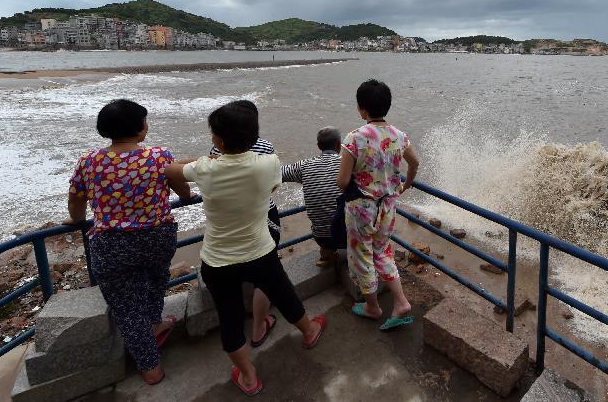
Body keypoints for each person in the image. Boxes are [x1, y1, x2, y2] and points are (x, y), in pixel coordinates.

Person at [165, 101, 325, 396]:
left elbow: (171, 170)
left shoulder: (205, 169)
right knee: (284, 294)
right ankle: (310, 331)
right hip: (259, 250)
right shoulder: (269, 163)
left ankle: (249, 376)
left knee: (230, 317)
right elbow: (272, 189)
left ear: (219, 140)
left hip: (218, 259)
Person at [65, 99, 191, 385]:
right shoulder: (159, 156)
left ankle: (150, 366)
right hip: (157, 237)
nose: (147, 126)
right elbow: (182, 187)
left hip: (112, 244)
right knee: (157, 279)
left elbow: (76, 200)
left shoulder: (89, 161)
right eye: (145, 121)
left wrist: (76, 219)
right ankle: (155, 323)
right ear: (137, 128)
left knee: (126, 306)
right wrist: (185, 198)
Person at [337, 79, 420, 331]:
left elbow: (342, 182)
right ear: (387, 106)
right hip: (388, 206)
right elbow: (414, 163)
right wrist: (406, 186)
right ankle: (401, 302)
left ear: (362, 109)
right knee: (382, 251)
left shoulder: (355, 138)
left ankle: (372, 307)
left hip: (362, 209)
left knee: (362, 255)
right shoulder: (399, 136)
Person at [209, 115, 281, 348]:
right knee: (266, 272)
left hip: (229, 219)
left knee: (232, 276)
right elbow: (273, 185)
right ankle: (259, 326)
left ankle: (237, 333)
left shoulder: (216, 148)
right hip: (263, 214)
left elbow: (210, 174)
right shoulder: (266, 146)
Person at [281, 127, 343, 266]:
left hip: (322, 237)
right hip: (349, 235)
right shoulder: (348, 163)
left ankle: (327, 255)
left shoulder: (304, 165)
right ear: (339, 144)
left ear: (318, 145)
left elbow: (278, 174)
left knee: (325, 239)